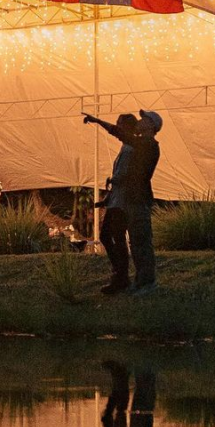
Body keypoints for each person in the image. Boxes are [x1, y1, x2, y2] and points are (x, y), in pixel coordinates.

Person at [83, 108, 163, 295]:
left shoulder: (148, 145)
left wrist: (98, 121)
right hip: (132, 199)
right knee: (136, 242)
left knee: (141, 242)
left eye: (144, 119)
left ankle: (146, 282)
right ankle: (139, 281)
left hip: (138, 199)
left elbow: (119, 134)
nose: (140, 121)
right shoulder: (141, 144)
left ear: (151, 125)